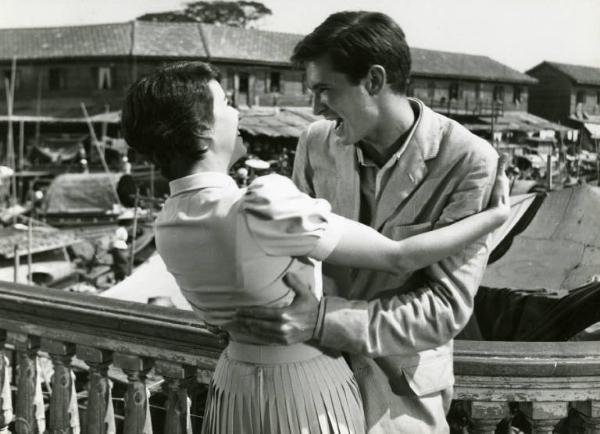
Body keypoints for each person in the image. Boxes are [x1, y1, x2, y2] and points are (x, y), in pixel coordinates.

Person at [121, 61, 508, 434]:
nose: (237, 111)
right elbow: (399, 256)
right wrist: (492, 218)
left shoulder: (168, 224)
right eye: (225, 103)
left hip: (235, 386)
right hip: (306, 391)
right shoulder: (264, 202)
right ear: (202, 134)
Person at [230, 11, 501, 433]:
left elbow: (446, 309)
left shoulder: (468, 159)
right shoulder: (315, 142)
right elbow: (291, 257)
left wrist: (324, 321)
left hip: (401, 397)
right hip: (307, 385)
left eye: (325, 90)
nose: (315, 105)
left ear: (374, 80)